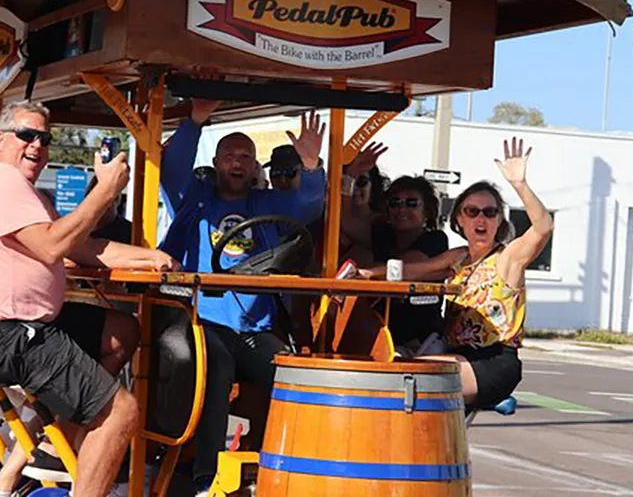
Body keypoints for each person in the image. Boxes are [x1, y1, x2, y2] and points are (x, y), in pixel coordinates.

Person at [0, 100, 177, 497]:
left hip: (21, 327)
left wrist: (151, 258)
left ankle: (72, 435)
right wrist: (105, 190)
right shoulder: (0, 178)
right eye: (27, 135)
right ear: (1, 139)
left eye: (44, 138)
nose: (36, 144)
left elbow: (80, 247)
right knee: (122, 411)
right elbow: (54, 246)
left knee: (122, 330)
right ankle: (92, 444)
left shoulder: (21, 191)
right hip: (8, 333)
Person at [158, 100, 325, 496]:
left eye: (245, 157)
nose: (237, 163)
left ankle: (281, 468)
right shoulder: (195, 199)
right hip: (201, 320)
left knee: (290, 376)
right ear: (216, 162)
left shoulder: (266, 203)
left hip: (255, 327)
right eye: (230, 156)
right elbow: (170, 171)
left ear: (255, 168)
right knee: (217, 369)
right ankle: (206, 478)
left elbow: (308, 205)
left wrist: (312, 166)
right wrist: (195, 120)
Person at [361, 137, 552, 409]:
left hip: (491, 361)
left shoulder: (508, 257)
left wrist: (519, 185)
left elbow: (543, 228)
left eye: (490, 212)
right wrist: (366, 273)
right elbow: (413, 270)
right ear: (459, 220)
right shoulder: (459, 256)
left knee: (404, 378)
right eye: (472, 212)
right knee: (389, 369)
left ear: (500, 220)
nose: (481, 219)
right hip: (454, 355)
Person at [371, 175, 449, 352]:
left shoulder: (435, 240)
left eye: (412, 203)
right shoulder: (380, 236)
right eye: (395, 203)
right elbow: (348, 223)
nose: (402, 209)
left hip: (422, 341)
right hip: (378, 336)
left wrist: (368, 271)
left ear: (427, 211)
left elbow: (404, 268)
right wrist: (350, 176)